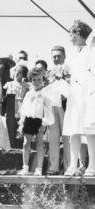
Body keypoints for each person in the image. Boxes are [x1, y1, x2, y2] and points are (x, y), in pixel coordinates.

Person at [63, 20, 95, 176]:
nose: (70, 36)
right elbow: (69, 73)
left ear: (79, 33)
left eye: (72, 33)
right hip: (74, 94)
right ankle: (73, 165)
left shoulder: (91, 50)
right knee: (73, 129)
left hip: (88, 93)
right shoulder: (72, 53)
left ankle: (92, 166)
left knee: (89, 129)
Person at [18, 68, 54, 176]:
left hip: (40, 120)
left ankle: (39, 168)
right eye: (34, 80)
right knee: (26, 143)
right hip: (29, 119)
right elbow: (24, 108)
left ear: (42, 79)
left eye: (39, 79)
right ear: (31, 80)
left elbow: (48, 111)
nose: (37, 82)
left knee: (39, 144)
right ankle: (25, 167)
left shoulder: (46, 93)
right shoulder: (29, 93)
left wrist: (44, 123)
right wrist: (22, 122)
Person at [46, 45, 70, 175]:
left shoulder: (69, 70)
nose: (56, 59)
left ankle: (69, 167)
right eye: (54, 56)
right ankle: (53, 168)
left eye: (59, 56)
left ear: (64, 56)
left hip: (66, 105)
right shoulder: (48, 73)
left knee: (67, 137)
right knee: (53, 138)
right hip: (52, 106)